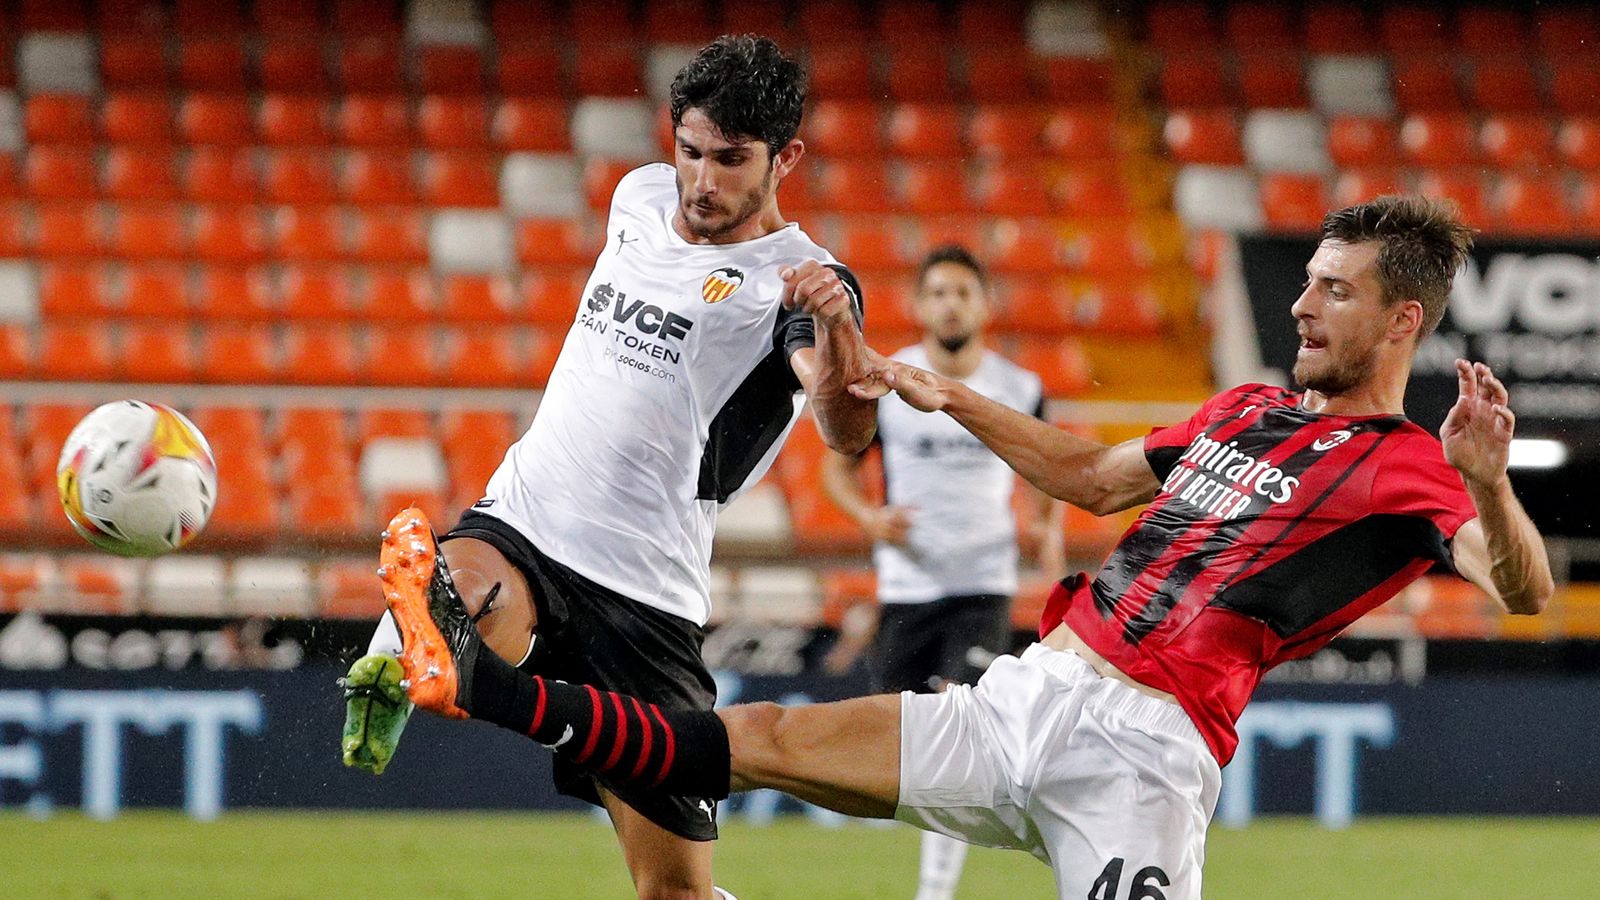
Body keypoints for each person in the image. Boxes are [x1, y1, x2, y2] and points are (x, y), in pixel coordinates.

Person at [378, 194, 1553, 900]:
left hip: (1146, 758)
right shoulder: (1243, 409)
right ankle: (485, 687)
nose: (1302, 305)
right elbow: (1092, 478)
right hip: (1031, 692)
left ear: (1403, 320)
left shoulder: (1415, 467)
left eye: (1334, 291)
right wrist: (951, 397)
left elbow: (1520, 591)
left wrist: (1491, 488)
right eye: (1305, 281)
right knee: (756, 740)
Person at [340, 35, 876, 900]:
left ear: (787, 159)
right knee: (456, 583)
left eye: (731, 161)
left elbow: (845, 429)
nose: (702, 180)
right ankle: (417, 647)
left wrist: (841, 334)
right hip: (526, 519)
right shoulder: (637, 197)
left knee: (674, 891)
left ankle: (424, 648)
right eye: (690, 151)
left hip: (645, 596)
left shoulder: (802, 282)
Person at [820, 246, 1062, 900]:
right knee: (906, 745)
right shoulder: (891, 382)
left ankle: (935, 892)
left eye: (962, 291)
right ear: (921, 305)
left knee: (961, 730)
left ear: (984, 304)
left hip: (983, 583)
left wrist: (1043, 526)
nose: (950, 303)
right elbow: (836, 466)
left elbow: (1047, 464)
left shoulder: (1018, 387)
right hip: (908, 587)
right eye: (938, 293)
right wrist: (870, 520)